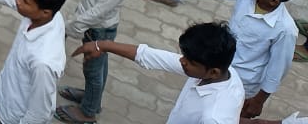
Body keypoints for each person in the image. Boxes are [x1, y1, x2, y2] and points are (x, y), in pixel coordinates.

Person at [9, 0, 150, 124]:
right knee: (97, 67)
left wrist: (66, 29)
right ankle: (92, 99)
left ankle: (88, 112)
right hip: (88, 22)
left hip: (99, 29)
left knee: (93, 69)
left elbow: (98, 13)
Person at [137, 0, 302, 119]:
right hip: (211, 66)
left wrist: (259, 100)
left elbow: (277, 69)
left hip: (243, 83)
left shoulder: (285, 30)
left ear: (273, 1)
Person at [70, 22, 243, 124]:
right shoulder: (224, 73)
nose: (181, 61)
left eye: (189, 61)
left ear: (213, 72)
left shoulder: (212, 117)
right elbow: (151, 57)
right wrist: (103, 45)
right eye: (184, 56)